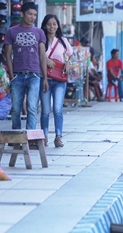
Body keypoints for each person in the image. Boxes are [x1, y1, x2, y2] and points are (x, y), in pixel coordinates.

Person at [3, 2, 49, 130]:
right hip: (17, 75)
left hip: (34, 75)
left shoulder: (39, 32)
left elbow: (42, 56)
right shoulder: (12, 31)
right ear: (22, 14)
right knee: (16, 109)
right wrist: (11, 74)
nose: (32, 17)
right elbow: (8, 54)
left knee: (32, 107)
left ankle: (30, 137)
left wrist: (44, 77)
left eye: (34, 15)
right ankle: (16, 137)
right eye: (30, 14)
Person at [39, 14, 73, 147]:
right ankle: (44, 136)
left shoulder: (63, 40)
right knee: (46, 110)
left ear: (58, 25)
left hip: (59, 80)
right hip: (45, 78)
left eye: (54, 24)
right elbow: (38, 55)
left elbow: (70, 55)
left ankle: (58, 136)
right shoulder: (41, 40)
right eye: (49, 24)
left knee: (58, 109)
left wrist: (68, 63)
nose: (51, 27)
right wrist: (46, 60)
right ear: (44, 26)